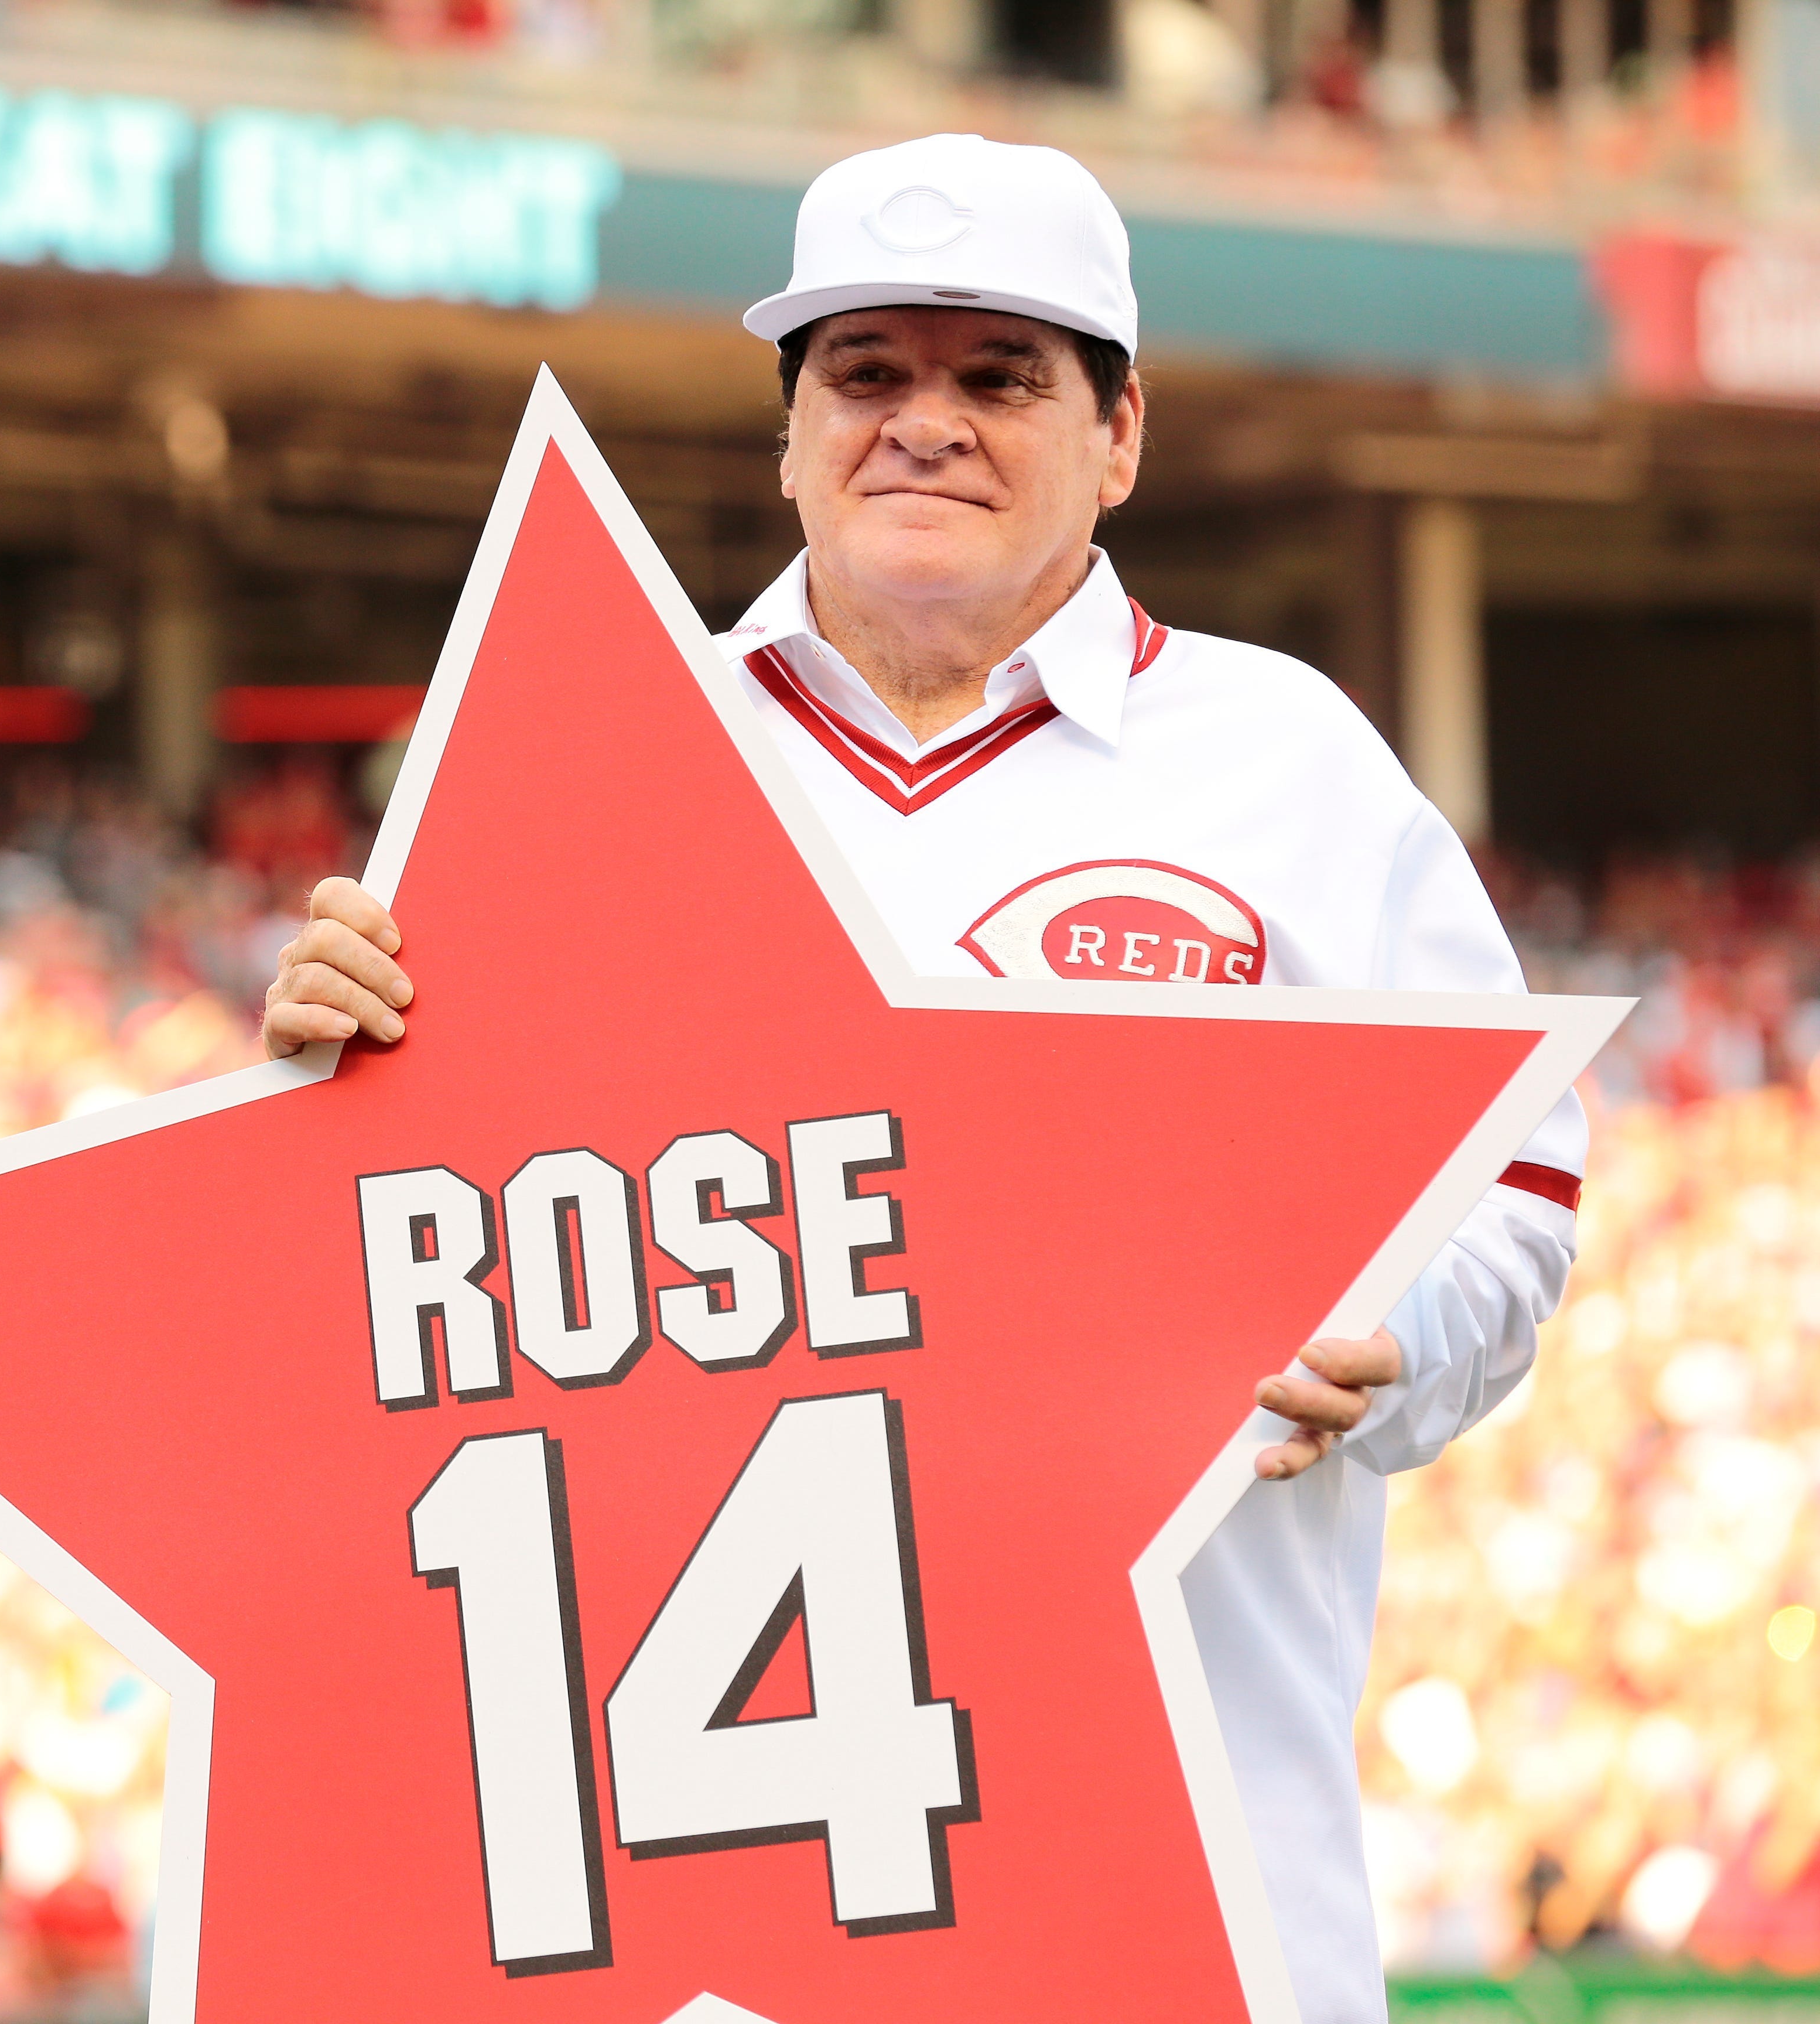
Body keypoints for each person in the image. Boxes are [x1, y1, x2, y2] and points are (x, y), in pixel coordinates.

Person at [262, 131, 1585, 2023]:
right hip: (708, 1911)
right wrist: (325, 1102)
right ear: (789, 434)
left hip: (1181, 1895)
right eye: (865, 369)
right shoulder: (576, 760)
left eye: (1001, 376)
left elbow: (1513, 1186)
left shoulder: (1285, 757)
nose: (925, 423)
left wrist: (1394, 1327)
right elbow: (412, 1293)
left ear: (1118, 434)